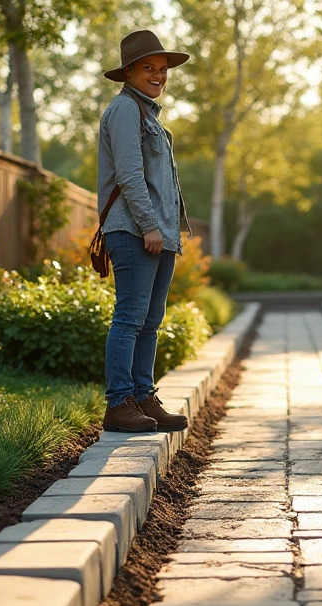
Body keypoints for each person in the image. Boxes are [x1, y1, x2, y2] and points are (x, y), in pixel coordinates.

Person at [97, 30, 192, 433]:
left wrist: (167, 230)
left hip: (159, 234)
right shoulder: (124, 111)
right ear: (129, 73)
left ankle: (143, 397)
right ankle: (119, 404)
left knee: (151, 320)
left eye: (162, 69)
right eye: (148, 68)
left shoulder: (149, 114)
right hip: (135, 231)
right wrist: (150, 225)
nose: (158, 75)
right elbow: (130, 175)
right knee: (131, 317)